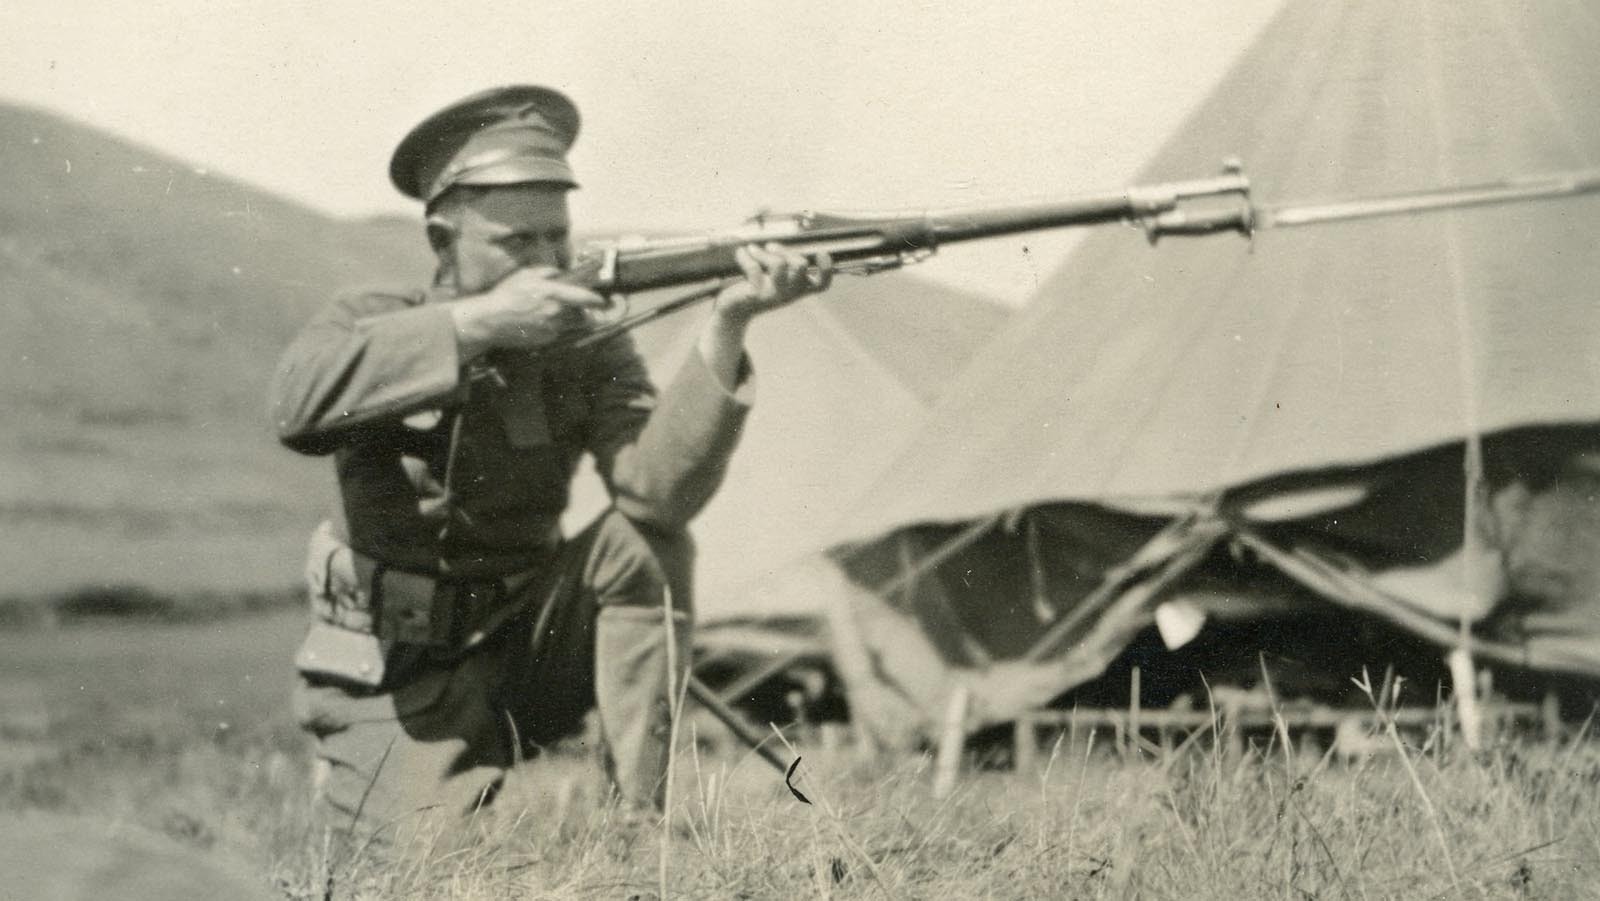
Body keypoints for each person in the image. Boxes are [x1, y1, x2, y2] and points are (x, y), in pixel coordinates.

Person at [268, 85, 832, 839]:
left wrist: (728, 323)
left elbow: (655, 496)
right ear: (442, 240)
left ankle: (641, 831)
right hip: (397, 672)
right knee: (428, 880)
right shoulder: (372, 319)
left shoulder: (584, 339)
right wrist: (478, 325)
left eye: (555, 238)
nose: (544, 262)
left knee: (642, 545)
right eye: (516, 243)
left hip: (525, 646)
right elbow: (297, 406)